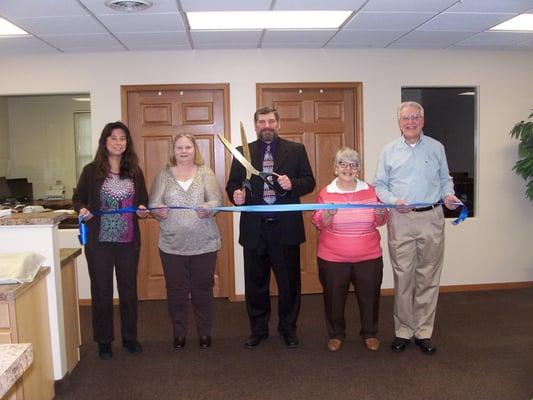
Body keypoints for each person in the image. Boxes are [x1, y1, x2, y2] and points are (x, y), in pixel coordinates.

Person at [373, 101, 460, 355]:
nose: (410, 122)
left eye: (415, 118)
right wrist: (392, 201)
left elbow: (446, 181)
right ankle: (403, 331)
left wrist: (448, 196)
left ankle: (423, 331)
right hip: (400, 220)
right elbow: (380, 185)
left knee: (428, 277)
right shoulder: (389, 151)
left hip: (432, 218)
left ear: (422, 121)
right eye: (405, 118)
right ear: (398, 122)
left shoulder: (436, 148)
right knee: (403, 278)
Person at [226, 106, 315, 349]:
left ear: (278, 123)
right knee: (256, 283)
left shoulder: (296, 150)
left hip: (285, 229)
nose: (267, 126)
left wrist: (292, 183)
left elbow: (309, 182)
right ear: (256, 126)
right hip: (255, 229)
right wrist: (236, 195)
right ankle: (258, 328)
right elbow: (233, 184)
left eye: (271, 121)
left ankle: (287, 328)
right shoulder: (243, 152)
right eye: (262, 122)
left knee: (289, 283)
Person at [73, 121, 149, 360]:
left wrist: (142, 209)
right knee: (102, 290)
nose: (119, 142)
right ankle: (104, 341)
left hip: (128, 241)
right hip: (99, 242)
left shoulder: (135, 171)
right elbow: (78, 199)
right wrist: (83, 209)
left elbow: (142, 201)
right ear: (105, 142)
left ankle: (130, 337)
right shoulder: (91, 170)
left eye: (123, 138)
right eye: (114, 138)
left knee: (128, 290)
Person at [149, 133, 222, 350]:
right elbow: (153, 204)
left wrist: (209, 208)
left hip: (205, 244)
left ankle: (204, 333)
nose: (183, 151)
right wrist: (158, 212)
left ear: (194, 150)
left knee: (203, 290)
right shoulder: (163, 175)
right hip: (172, 245)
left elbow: (217, 201)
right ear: (173, 150)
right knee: (176, 291)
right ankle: (179, 333)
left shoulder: (205, 173)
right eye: (179, 147)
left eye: (188, 147)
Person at [312, 148, 388, 352]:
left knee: (370, 296)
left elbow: (380, 220)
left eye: (353, 165)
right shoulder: (326, 192)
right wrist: (328, 213)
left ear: (359, 169)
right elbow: (320, 223)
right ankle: (336, 334)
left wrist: (381, 212)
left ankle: (370, 333)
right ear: (335, 168)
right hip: (333, 257)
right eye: (343, 164)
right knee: (334, 297)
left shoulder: (371, 191)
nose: (348, 168)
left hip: (369, 255)